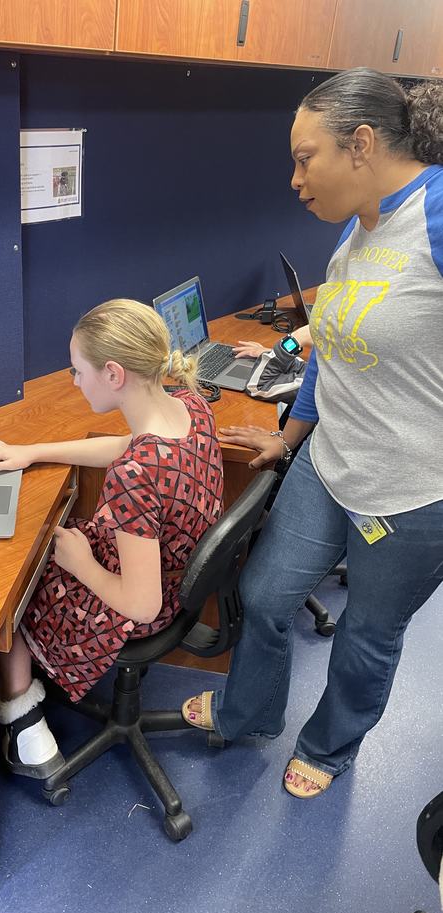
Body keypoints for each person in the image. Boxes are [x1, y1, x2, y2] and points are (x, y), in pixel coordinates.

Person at [182, 67, 443, 799]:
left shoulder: (437, 213)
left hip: (414, 493)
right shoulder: (361, 228)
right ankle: (248, 711)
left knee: (366, 636)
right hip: (329, 461)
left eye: (306, 157)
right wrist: (291, 436)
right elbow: (328, 345)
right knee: (265, 595)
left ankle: (329, 747)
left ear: (361, 145)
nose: (295, 179)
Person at [0, 299, 224, 779]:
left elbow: (142, 605)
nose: (73, 381)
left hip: (143, 608)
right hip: (181, 579)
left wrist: (82, 563)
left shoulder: (135, 475)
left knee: (17, 586)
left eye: (76, 370)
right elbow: (125, 447)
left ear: (112, 373)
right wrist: (32, 451)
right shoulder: (191, 406)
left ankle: (20, 716)